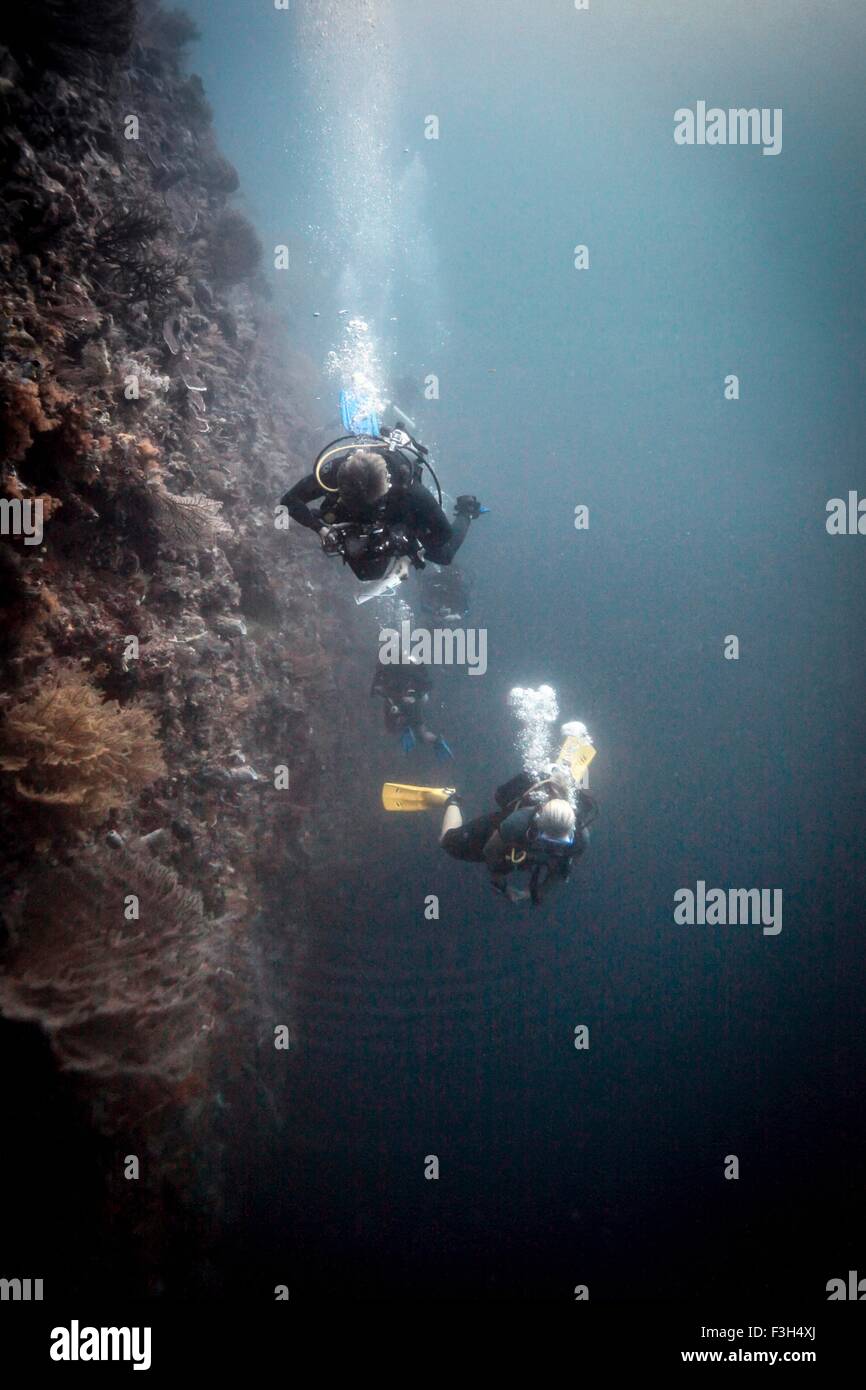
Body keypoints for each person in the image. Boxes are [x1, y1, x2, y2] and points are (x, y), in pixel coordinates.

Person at [280, 436, 484, 582]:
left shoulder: (411, 492)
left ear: (385, 488)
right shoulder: (337, 470)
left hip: (399, 516)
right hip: (364, 508)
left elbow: (444, 534)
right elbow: (290, 500)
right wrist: (321, 529)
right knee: (365, 571)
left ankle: (467, 511)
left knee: (444, 556)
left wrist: (408, 552)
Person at [439, 770, 595, 906]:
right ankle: (452, 799)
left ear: (572, 830)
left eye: (561, 841)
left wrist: (531, 893)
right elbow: (490, 853)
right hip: (509, 836)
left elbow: (561, 871)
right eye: (547, 837)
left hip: (524, 849)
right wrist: (501, 883)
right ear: (538, 824)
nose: (551, 845)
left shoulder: (581, 840)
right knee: (447, 842)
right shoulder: (519, 822)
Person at [371, 655, 453, 760]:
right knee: (422, 735)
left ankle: (405, 728)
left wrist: (382, 691)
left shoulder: (388, 669)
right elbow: (427, 685)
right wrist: (415, 695)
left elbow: (377, 689)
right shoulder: (409, 667)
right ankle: (438, 741)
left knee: (392, 724)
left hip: (402, 704)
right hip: (413, 703)